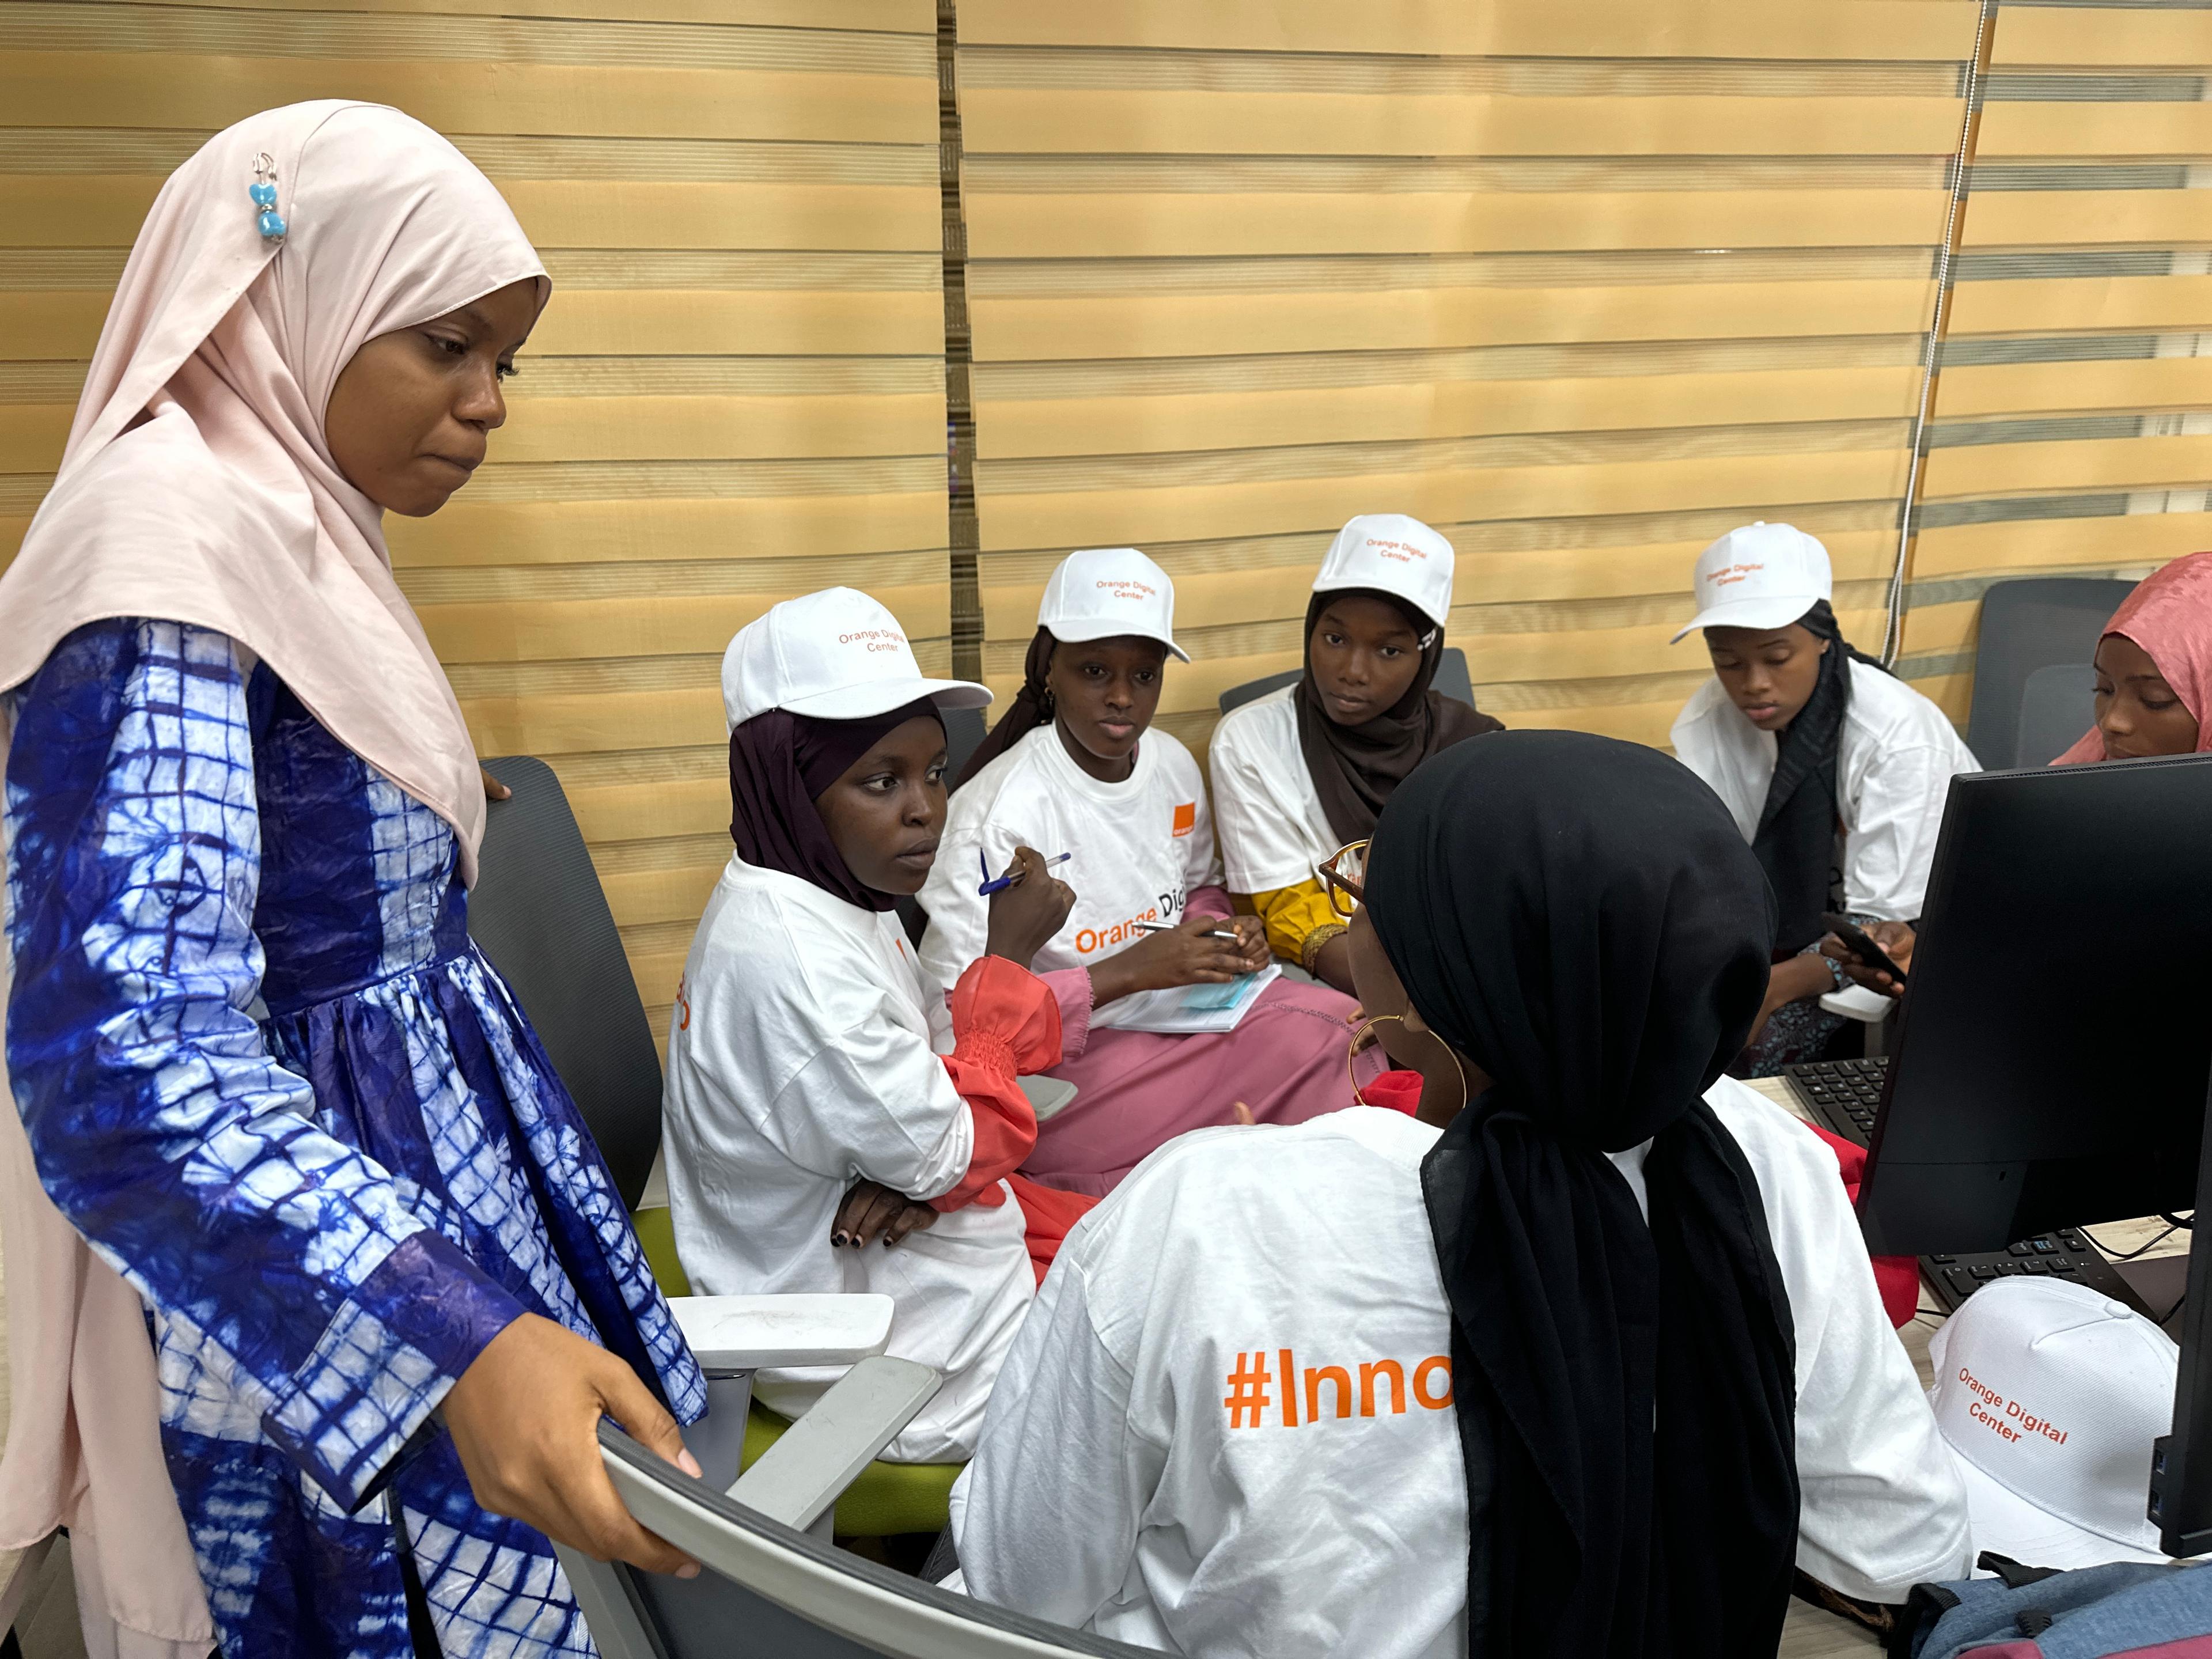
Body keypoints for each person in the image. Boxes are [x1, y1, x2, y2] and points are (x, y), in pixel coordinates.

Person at [0, 104, 706, 1659]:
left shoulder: (287, 522)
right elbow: (128, 1056)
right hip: (314, 1300)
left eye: (504, 362)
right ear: (289, 301)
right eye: (447, 345)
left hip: (418, 1220)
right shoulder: (159, 554)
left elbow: (267, 789)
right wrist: (449, 1340)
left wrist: (390, 802)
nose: (489, 405)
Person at [952, 732, 1970, 1659]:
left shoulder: (1207, 1215)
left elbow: (1016, 1585)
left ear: (1429, 974)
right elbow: (1902, 1548)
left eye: (1369, 901)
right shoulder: (1762, 1165)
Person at [660, 588, 1096, 1460]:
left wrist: (921, 1172)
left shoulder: (831, 890)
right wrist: (1004, 964)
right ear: (789, 786)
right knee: (1171, 1371)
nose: (927, 808)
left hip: (917, 1262)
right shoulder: (797, 963)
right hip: (898, 1352)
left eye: (934, 773)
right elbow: (951, 1144)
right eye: (880, 781)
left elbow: (933, 1095)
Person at [926, 547, 1382, 1195]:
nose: (1121, 697)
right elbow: (956, 1020)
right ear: (1048, 668)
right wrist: (1129, 971)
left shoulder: (1169, 766)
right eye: (1094, 671)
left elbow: (1197, 887)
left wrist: (1222, 934)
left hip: (1187, 1017)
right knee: (1193, 1156)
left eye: (1144, 676)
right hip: (1068, 1059)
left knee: (1354, 1037)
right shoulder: (999, 817)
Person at [1668, 521, 1978, 1073]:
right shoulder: (1707, 720)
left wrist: (1772, 988)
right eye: (1728, 661)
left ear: (1823, 637)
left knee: (1743, 1061)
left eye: (1777, 656)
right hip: (1785, 935)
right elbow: (1712, 869)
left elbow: (1887, 929)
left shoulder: (1898, 738)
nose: (1753, 683)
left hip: (1915, 946)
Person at [1839, 550, 2212, 998]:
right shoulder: (2080, 809)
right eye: (2103, 690)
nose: (2112, 722)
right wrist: (1931, 963)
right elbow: (2045, 965)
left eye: (2154, 700)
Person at [1210, 514, 1501, 991]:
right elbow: (1288, 909)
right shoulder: (1251, 742)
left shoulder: (1474, 747)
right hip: (1341, 978)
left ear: (1426, 655)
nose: (1351, 671)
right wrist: (1410, 1004)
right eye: (1335, 639)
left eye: (1388, 651)